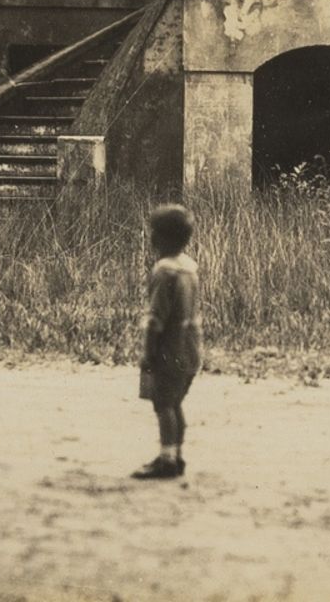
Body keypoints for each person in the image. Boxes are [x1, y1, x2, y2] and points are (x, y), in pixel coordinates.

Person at [132, 204, 202, 481]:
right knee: (175, 402)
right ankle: (176, 454)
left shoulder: (164, 270)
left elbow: (155, 318)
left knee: (163, 404)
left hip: (168, 349)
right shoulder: (190, 267)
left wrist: (148, 351)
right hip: (191, 348)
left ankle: (167, 459)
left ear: (158, 238)